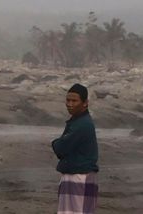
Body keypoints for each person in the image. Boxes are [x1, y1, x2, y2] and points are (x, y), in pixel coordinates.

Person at [51, 83, 99, 214]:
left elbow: (60, 148)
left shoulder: (82, 125)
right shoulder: (79, 121)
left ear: (85, 103)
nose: (70, 104)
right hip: (79, 174)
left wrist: (55, 142)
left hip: (79, 177)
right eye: (68, 100)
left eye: (74, 101)